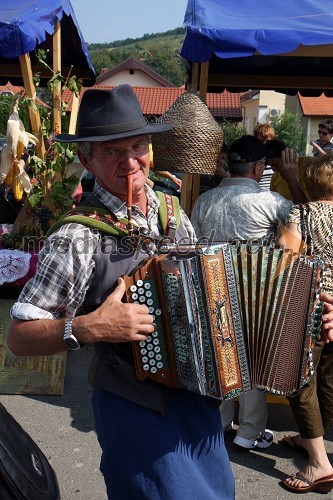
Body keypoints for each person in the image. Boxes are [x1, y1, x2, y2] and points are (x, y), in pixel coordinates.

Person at [7, 85, 235, 500]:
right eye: (112, 152)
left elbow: (210, 291)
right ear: (86, 157)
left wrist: (301, 312)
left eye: (138, 145)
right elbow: (19, 338)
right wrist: (90, 327)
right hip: (135, 410)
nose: (130, 162)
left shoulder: (172, 212)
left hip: (197, 403)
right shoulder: (78, 235)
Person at [190, 135, 294, 450]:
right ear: (258, 167)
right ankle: (249, 432)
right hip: (256, 295)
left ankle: (220, 422)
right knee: (251, 365)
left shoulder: (203, 201)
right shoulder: (272, 203)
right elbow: (302, 228)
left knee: (220, 358)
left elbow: (195, 246)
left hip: (212, 290)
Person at [276, 154, 333, 494]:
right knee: (327, 378)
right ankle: (316, 439)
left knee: (297, 377)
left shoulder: (302, 213)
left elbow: (287, 260)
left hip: (312, 307)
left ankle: (317, 463)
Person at [266, 139, 309, 203]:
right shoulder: (275, 177)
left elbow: (307, 208)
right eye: (271, 166)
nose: (273, 169)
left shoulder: (308, 166)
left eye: (275, 164)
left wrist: (292, 179)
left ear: (285, 155)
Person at [253, 123, 276, 191]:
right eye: (261, 141)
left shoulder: (276, 159)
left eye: (268, 142)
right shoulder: (251, 159)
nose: (264, 144)